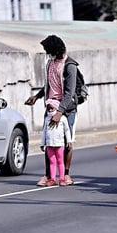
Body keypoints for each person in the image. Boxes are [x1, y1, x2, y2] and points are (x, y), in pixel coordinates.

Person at [25, 35, 78, 186]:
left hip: (66, 110)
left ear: (55, 49)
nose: (47, 53)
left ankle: (65, 176)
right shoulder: (50, 63)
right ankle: (49, 176)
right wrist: (37, 96)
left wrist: (60, 112)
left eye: (48, 50)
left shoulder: (70, 66)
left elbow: (69, 92)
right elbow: (50, 84)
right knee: (49, 141)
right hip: (50, 107)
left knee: (67, 142)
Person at [40, 99, 73, 187]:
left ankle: (62, 178)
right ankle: (52, 179)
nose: (50, 111)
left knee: (60, 161)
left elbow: (67, 130)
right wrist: (42, 143)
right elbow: (44, 132)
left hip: (59, 144)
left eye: (52, 109)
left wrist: (69, 141)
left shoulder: (62, 119)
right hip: (49, 145)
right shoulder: (47, 119)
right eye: (49, 109)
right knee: (52, 161)